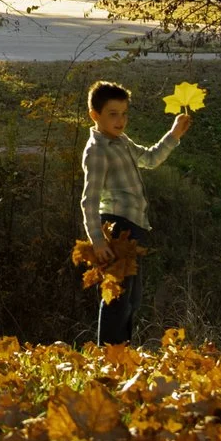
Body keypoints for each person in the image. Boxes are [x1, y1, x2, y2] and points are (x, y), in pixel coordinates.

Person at [79, 79, 193, 346]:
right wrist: (96, 239)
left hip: (135, 227)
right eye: (113, 114)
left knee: (132, 298)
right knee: (116, 296)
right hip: (117, 227)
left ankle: (122, 352)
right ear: (95, 115)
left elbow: (150, 159)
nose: (120, 120)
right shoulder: (97, 150)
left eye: (124, 113)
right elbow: (89, 199)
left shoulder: (122, 141)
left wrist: (174, 134)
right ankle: (109, 355)